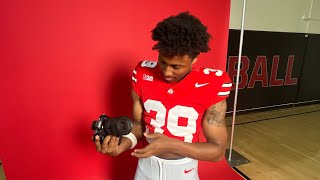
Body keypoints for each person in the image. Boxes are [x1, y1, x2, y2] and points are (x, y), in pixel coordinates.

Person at [95, 11, 232, 180]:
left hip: (183, 171)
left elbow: (217, 151)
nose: (167, 72)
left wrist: (173, 145)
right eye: (162, 62)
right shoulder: (142, 73)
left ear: (195, 58)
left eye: (176, 67)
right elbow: (139, 128)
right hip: (145, 168)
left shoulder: (212, 83)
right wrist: (120, 147)